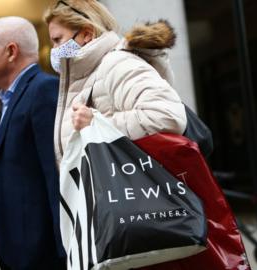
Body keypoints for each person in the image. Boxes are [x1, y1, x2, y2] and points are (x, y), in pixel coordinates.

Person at [0, 17, 64, 270]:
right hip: (21, 255)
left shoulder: (43, 91)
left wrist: (65, 253)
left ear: (11, 51)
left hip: (43, 257)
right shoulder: (11, 99)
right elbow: (8, 178)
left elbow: (56, 176)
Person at [43, 0, 187, 165]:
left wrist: (96, 125)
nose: (54, 50)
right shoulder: (87, 74)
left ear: (87, 34)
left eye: (57, 39)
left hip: (129, 187)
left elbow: (167, 116)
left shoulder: (116, 63)